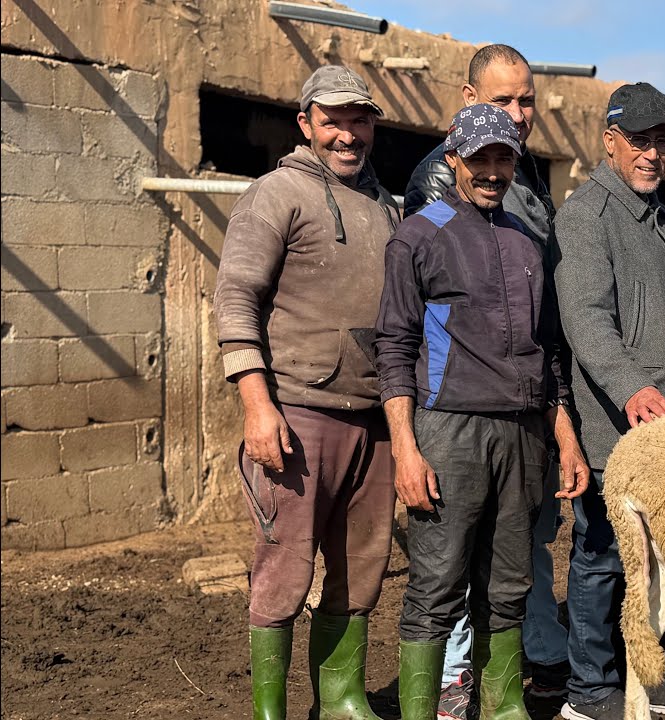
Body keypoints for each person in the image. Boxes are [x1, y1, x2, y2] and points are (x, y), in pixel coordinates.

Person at [375, 103, 589, 720]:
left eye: (503, 158)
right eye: (480, 159)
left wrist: (564, 436)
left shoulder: (526, 244)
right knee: (437, 586)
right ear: (454, 161)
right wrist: (406, 449)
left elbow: (547, 352)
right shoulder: (419, 235)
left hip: (523, 434)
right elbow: (393, 346)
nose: (493, 171)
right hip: (450, 429)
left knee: (510, 584)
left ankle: (501, 709)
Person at [213, 64, 400, 720]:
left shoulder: (387, 206)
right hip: (295, 414)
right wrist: (257, 406)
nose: (346, 134)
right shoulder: (277, 194)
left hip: (374, 421)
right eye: (332, 121)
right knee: (284, 571)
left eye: (358, 120)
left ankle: (343, 698)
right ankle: (271, 711)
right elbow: (237, 293)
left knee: (362, 569)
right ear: (306, 124)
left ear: (373, 124)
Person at [551, 83, 665, 720]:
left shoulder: (664, 219)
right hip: (614, 427)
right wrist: (631, 387)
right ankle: (588, 690)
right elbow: (587, 321)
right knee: (600, 556)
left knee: (654, 561)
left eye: (662, 141)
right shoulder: (587, 216)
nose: (653, 154)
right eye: (640, 142)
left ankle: (644, 681)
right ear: (610, 142)